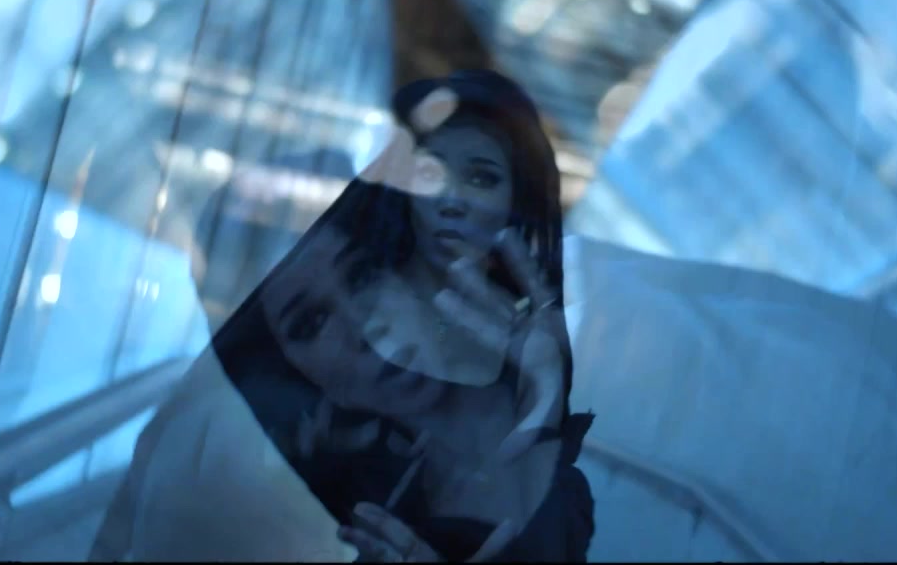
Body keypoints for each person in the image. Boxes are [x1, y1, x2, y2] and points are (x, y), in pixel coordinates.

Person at [91, 70, 595, 562]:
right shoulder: (244, 450)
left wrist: (541, 405)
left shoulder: (503, 384)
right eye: (313, 323)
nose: (451, 200)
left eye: (481, 177)